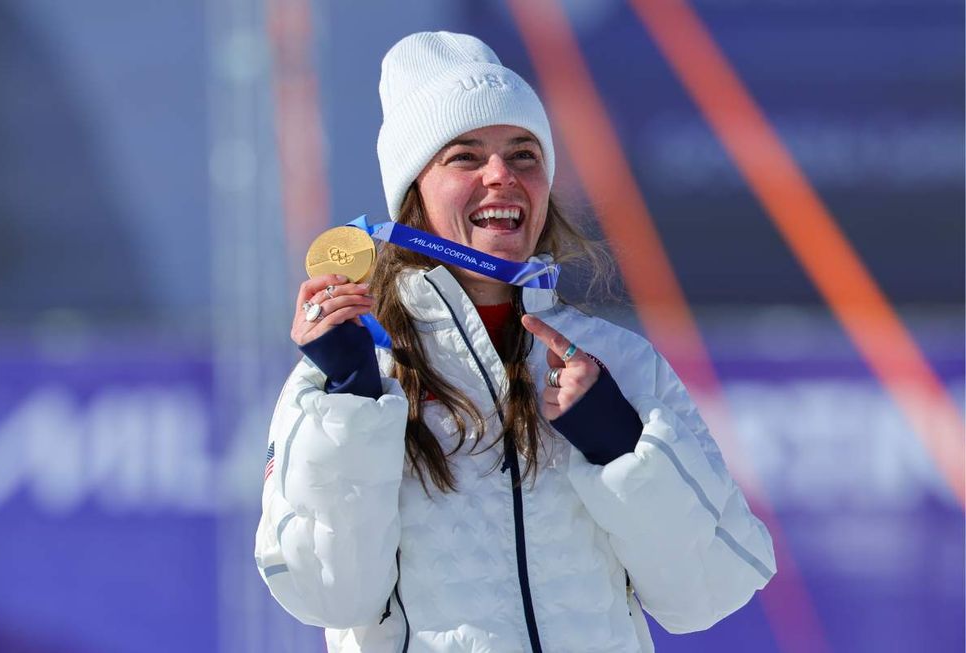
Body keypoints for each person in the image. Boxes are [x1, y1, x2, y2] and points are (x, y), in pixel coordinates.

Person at [255, 31, 775, 653]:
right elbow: (328, 597)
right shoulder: (354, 371)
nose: (500, 175)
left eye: (524, 155)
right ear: (412, 193)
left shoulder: (621, 365)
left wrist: (617, 445)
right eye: (465, 156)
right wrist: (350, 402)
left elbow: (710, 592)